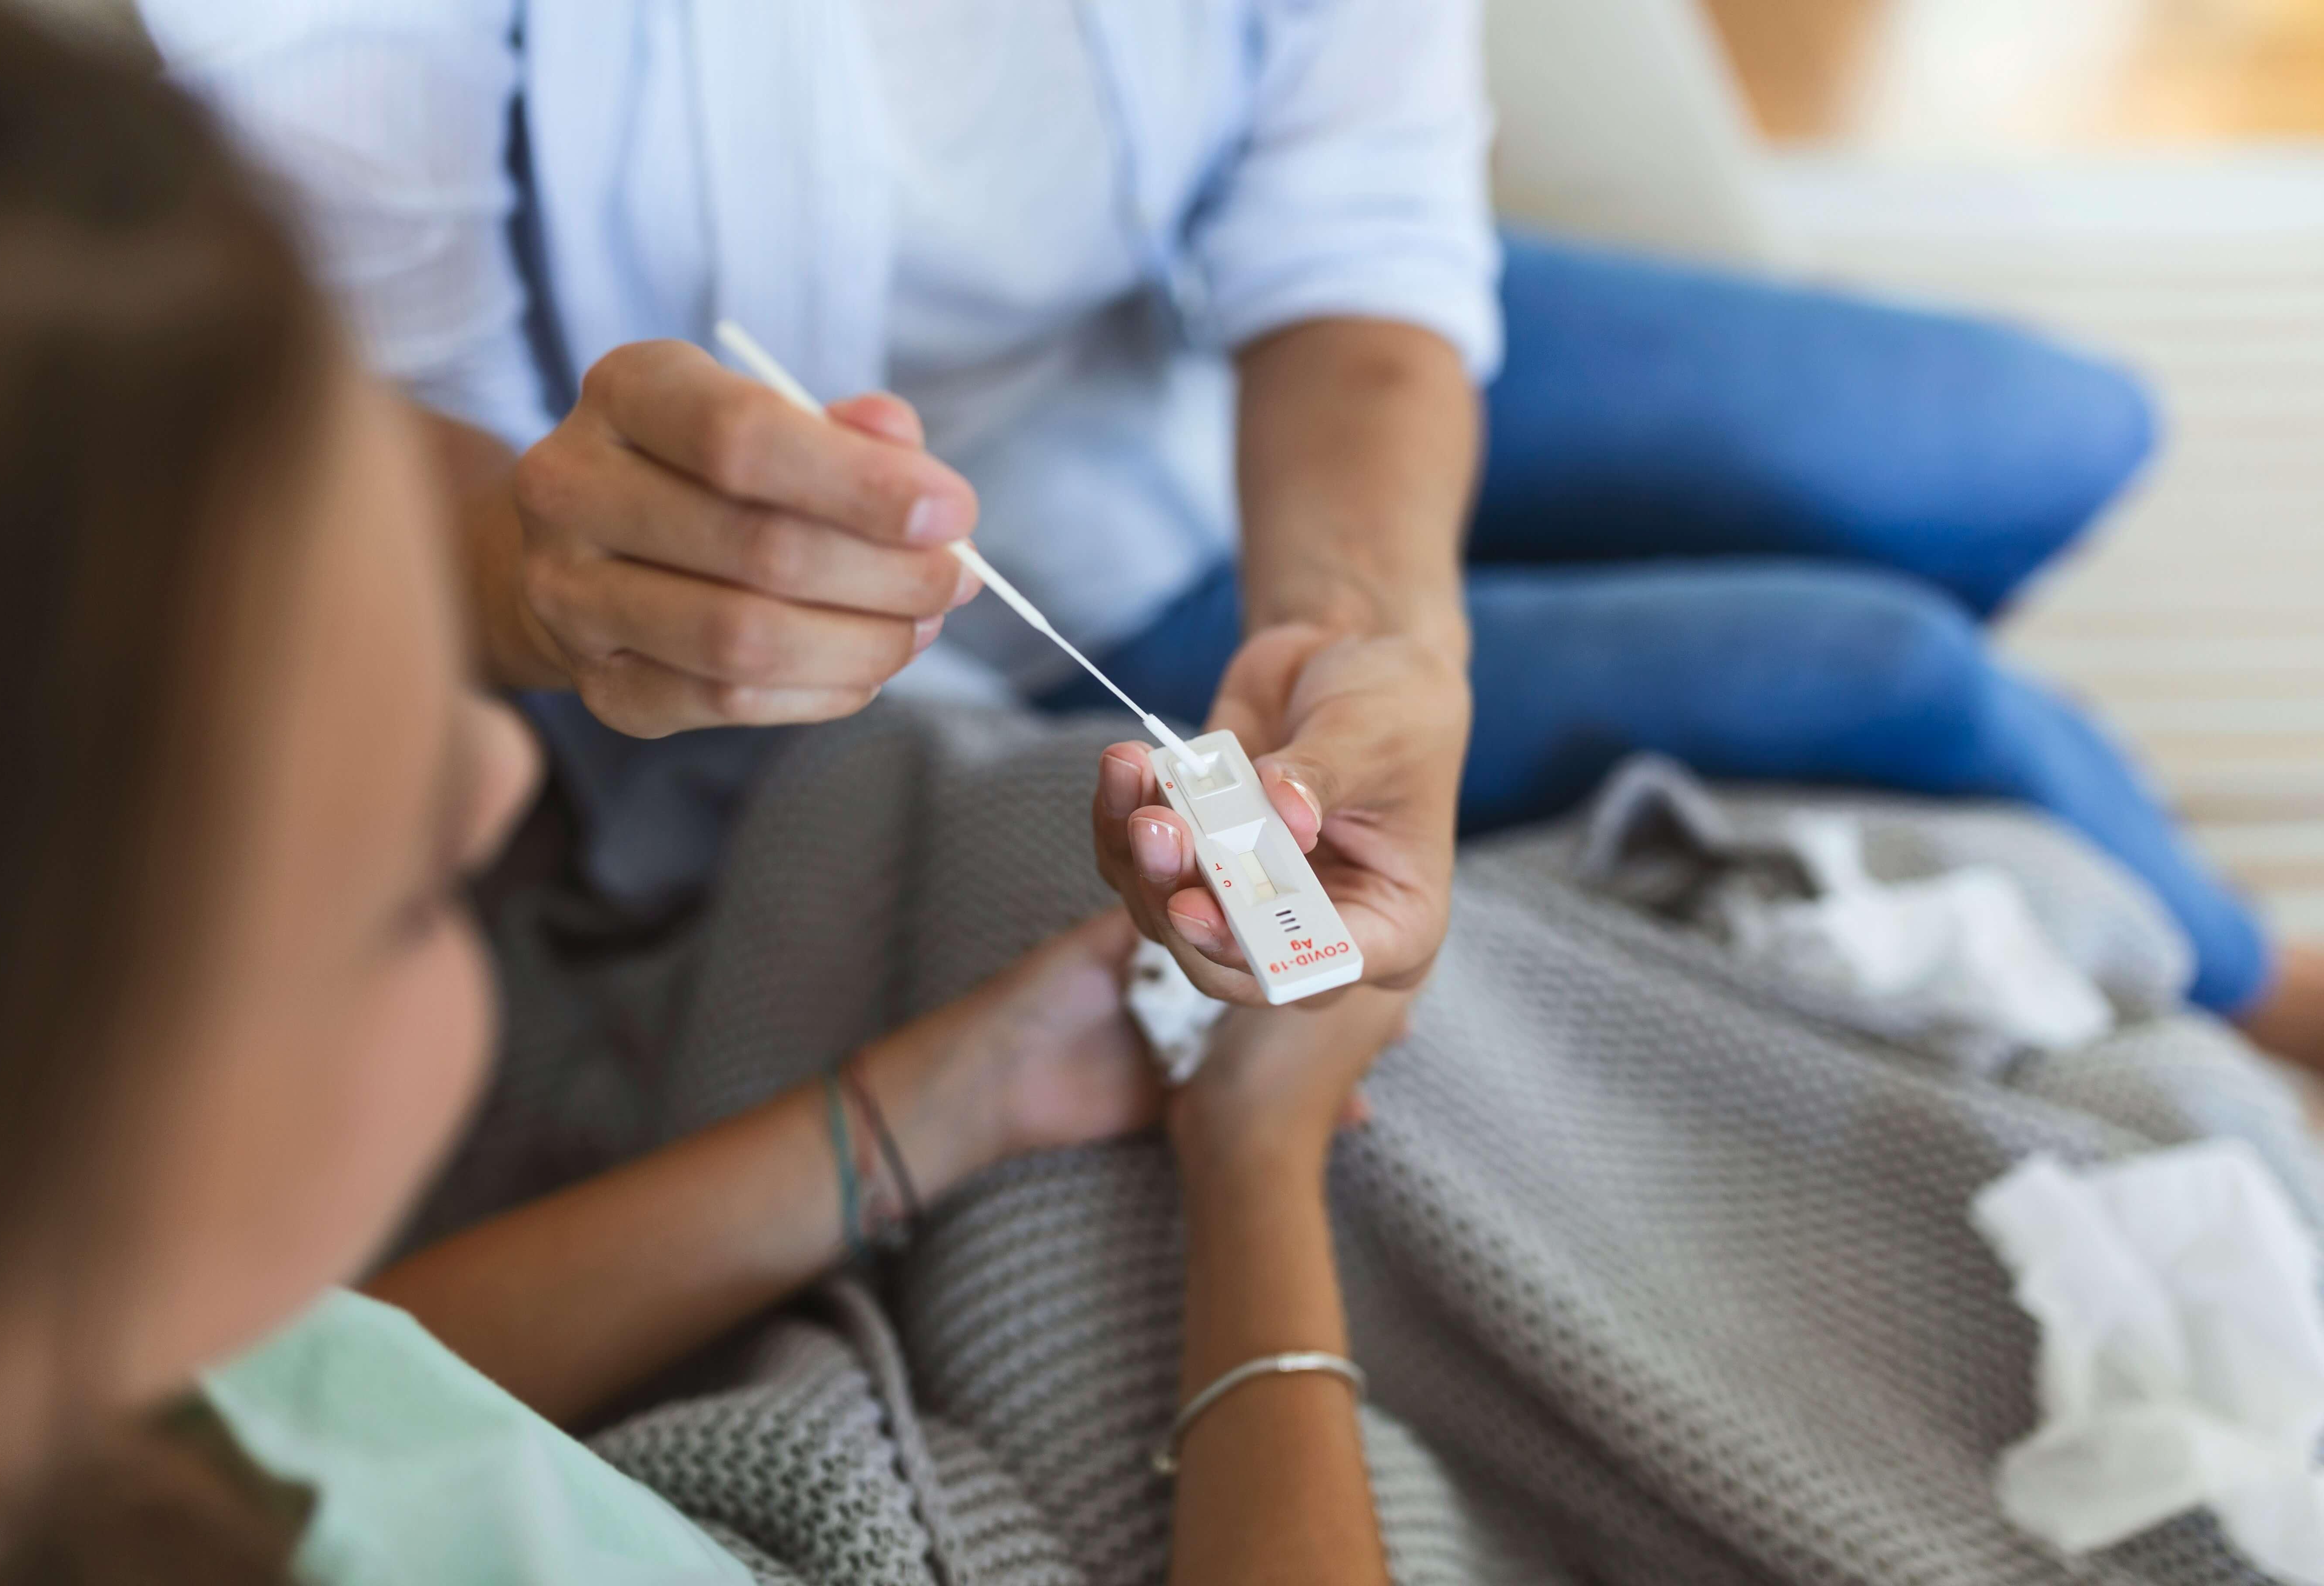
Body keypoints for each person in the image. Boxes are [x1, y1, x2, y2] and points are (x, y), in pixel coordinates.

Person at [0, 9, 1400, 1582]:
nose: (508, 771)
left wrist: (936, 1109)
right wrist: (1259, 1180)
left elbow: (318, 1388)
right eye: (402, 909)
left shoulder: (54, 1400)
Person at [134, 3, 2322, 1046]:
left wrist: (1386, 624)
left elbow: (1359, 239)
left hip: (1204, 350)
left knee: (2055, 433)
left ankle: (1592, 627)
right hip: (905, 593)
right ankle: (2258, 978)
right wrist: (549, 557)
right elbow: (338, 431)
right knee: (1895, 675)